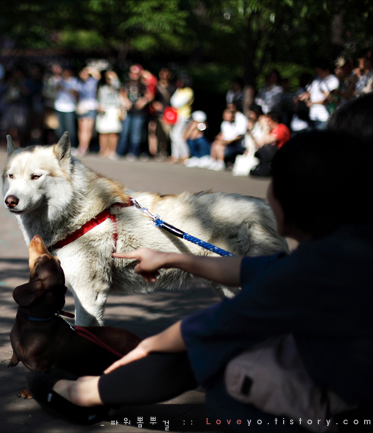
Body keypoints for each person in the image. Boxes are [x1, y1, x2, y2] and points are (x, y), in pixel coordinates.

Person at [26, 129, 373, 432]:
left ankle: (85, 394)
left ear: (289, 204)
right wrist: (173, 258)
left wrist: (150, 345)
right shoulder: (346, 252)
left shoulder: (311, 273)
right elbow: (258, 270)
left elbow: (214, 325)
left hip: (345, 407)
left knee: (206, 357)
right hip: (345, 378)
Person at [117, 64, 153, 161]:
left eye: (136, 73)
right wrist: (125, 101)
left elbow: (150, 95)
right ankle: (120, 152)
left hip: (139, 113)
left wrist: (143, 101)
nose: (134, 75)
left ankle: (133, 152)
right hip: (128, 112)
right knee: (124, 132)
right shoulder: (126, 83)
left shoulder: (143, 84)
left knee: (136, 134)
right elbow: (122, 93)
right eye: (132, 72)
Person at [298, 60, 340, 131]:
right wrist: (304, 96)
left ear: (326, 70)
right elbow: (309, 92)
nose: (317, 73)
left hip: (324, 117)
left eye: (319, 71)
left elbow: (331, 99)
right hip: (313, 116)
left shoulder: (333, 80)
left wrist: (313, 103)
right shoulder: (316, 79)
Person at [249, 111, 291, 177]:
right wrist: (251, 134)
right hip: (274, 153)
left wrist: (264, 126)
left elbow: (268, 140)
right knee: (261, 151)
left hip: (282, 154)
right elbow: (260, 144)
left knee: (265, 150)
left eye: (268, 121)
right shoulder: (271, 130)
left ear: (275, 120)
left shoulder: (281, 128)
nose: (267, 123)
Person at [205, 106, 247, 171]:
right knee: (215, 144)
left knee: (220, 147)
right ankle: (213, 161)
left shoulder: (236, 125)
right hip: (225, 142)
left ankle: (220, 163)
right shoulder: (224, 124)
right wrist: (219, 138)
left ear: (232, 117)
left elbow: (238, 136)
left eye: (227, 114)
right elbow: (222, 133)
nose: (225, 116)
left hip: (234, 145)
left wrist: (226, 141)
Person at [95, 70, 122, 159]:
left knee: (113, 132)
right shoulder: (101, 87)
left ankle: (112, 151)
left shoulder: (115, 87)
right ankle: (103, 151)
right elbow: (98, 97)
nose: (108, 79)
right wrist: (98, 106)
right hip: (103, 109)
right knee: (103, 132)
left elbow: (118, 86)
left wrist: (114, 78)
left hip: (113, 109)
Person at [167, 73, 194, 164]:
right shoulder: (179, 90)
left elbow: (177, 104)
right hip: (176, 116)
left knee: (177, 135)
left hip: (184, 116)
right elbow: (172, 101)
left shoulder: (188, 91)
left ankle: (184, 154)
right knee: (174, 135)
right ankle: (176, 155)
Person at [75, 66, 101, 157]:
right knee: (81, 128)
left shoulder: (92, 82)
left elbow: (97, 76)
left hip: (91, 107)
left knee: (87, 129)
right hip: (82, 107)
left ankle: (84, 147)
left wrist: (90, 69)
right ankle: (81, 146)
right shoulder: (79, 83)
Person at [54, 65, 79, 147]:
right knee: (59, 129)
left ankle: (72, 146)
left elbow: (75, 93)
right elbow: (55, 89)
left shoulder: (74, 81)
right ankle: (60, 146)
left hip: (70, 107)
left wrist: (65, 88)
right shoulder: (60, 80)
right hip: (59, 107)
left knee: (70, 129)